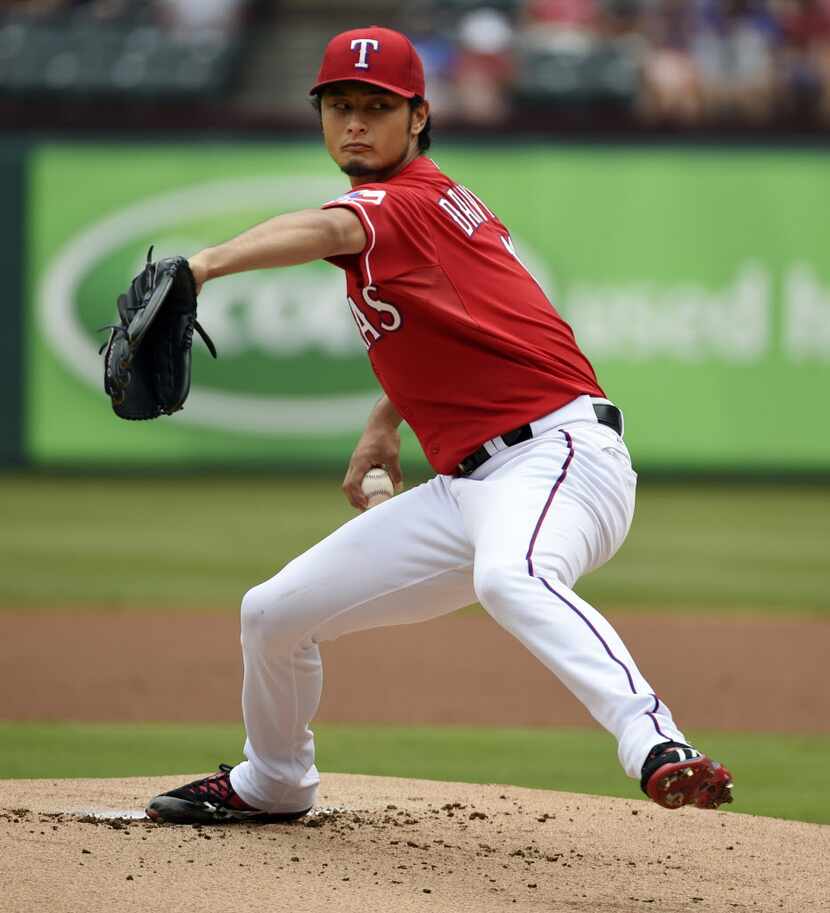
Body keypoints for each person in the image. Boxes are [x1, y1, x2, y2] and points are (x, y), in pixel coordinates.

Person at [145, 26, 733, 825]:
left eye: (377, 106)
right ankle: (275, 778)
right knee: (272, 613)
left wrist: (203, 264)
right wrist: (385, 423)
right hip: (468, 485)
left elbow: (331, 228)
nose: (355, 122)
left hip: (560, 456)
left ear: (418, 116)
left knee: (512, 575)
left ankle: (657, 742)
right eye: (340, 105)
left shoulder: (400, 201)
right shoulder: (438, 205)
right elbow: (476, 326)